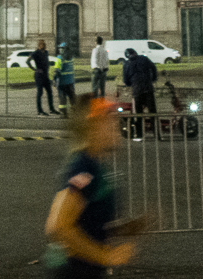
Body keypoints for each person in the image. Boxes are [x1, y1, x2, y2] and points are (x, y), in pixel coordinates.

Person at [43, 95, 140, 278]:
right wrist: (105, 256)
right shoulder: (83, 168)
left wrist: (124, 228)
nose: (116, 127)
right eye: (109, 122)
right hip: (72, 271)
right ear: (93, 127)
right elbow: (58, 227)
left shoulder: (96, 166)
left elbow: (86, 222)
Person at [28, 39, 59, 115]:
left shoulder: (46, 52)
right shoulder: (35, 53)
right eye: (42, 44)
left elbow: (46, 61)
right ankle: (40, 110)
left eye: (44, 44)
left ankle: (51, 109)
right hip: (39, 76)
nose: (43, 46)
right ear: (39, 45)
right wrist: (35, 69)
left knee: (50, 92)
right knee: (40, 93)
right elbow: (28, 61)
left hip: (45, 75)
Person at [54, 42, 77, 115]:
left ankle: (64, 113)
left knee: (62, 98)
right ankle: (75, 112)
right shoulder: (71, 58)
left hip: (62, 82)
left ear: (64, 49)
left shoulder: (59, 58)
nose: (60, 50)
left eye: (61, 48)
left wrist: (54, 79)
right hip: (70, 81)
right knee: (72, 97)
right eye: (60, 48)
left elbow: (57, 71)